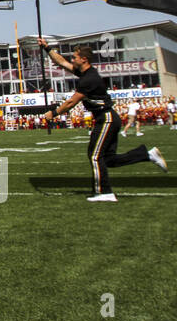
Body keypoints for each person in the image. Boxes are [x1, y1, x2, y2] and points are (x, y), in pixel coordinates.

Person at [38, 38, 167, 203]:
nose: (72, 60)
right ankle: (147, 155)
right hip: (108, 118)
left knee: (95, 156)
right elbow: (62, 62)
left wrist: (54, 113)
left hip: (106, 119)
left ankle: (104, 192)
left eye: (75, 57)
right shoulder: (85, 73)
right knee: (108, 159)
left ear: (84, 59)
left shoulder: (88, 79)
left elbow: (72, 102)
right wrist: (47, 49)